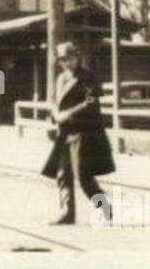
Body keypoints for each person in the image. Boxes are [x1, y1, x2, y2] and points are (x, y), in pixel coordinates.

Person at [40, 41, 114, 225]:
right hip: (64, 132)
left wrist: (67, 114)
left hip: (83, 131)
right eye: (63, 60)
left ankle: (104, 207)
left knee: (83, 175)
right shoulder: (60, 79)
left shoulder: (88, 77)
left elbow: (90, 103)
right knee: (62, 173)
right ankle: (67, 213)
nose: (67, 63)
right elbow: (55, 102)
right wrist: (55, 114)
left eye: (70, 58)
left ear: (77, 57)